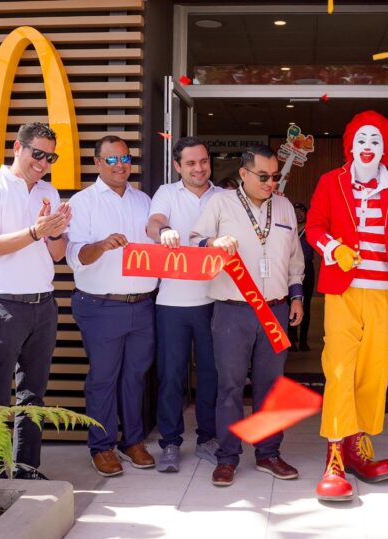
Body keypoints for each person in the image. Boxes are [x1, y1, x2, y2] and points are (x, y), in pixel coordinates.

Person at [306, 111, 388, 501]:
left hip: (386, 292)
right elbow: (315, 227)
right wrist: (333, 248)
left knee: (378, 367)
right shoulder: (331, 181)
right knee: (340, 368)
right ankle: (335, 457)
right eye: (362, 140)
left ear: (385, 149)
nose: (368, 146)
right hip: (343, 290)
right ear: (351, 146)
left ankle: (358, 447)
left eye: (376, 141)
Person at [190, 144, 304, 488]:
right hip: (233, 311)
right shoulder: (220, 203)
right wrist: (213, 241)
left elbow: (295, 259)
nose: (271, 183)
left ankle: (269, 453)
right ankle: (227, 457)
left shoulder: (283, 206)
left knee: (272, 388)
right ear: (244, 173)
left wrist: (297, 297)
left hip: (276, 309)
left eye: (274, 176)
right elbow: (195, 240)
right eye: (263, 176)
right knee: (230, 387)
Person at [0, 122, 70, 480]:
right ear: (18, 147)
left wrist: (54, 230)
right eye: (37, 153)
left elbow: (58, 254)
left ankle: (27, 467)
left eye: (50, 156)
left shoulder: (50, 192)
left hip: (43, 304)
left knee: (33, 394)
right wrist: (35, 231)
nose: (42, 162)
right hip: (2, 304)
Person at [67, 135, 158, 477]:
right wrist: (102, 245)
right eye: (112, 160)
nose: (121, 166)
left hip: (142, 305)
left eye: (125, 159)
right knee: (104, 378)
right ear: (97, 163)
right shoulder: (83, 203)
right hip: (101, 306)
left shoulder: (143, 200)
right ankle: (101, 446)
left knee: (134, 377)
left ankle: (132, 441)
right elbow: (75, 256)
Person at [146, 137, 222, 472]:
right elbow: (153, 222)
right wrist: (163, 231)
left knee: (211, 375)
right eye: (190, 163)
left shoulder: (224, 197)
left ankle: (208, 438)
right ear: (178, 166)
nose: (199, 168)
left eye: (203, 161)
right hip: (171, 304)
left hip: (214, 302)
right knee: (171, 376)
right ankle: (171, 444)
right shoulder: (166, 193)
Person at [288, 202, 315, 352]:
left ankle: (303, 340)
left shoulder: (310, 229)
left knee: (306, 305)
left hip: (307, 267)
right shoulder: (289, 229)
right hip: (290, 269)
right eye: (295, 211)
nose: (298, 214)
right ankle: (291, 339)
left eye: (301, 212)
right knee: (289, 303)